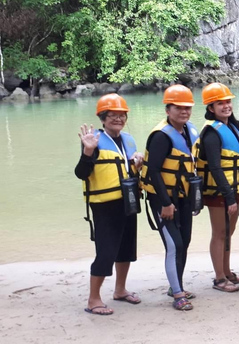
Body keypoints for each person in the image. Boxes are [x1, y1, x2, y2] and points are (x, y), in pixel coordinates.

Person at [75, 94, 143, 316]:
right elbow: (81, 173)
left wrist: (138, 164)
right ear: (103, 119)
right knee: (105, 252)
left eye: (121, 115)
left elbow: (127, 169)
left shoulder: (129, 140)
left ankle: (120, 290)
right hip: (105, 206)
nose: (118, 119)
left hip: (128, 201)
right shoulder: (93, 140)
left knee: (126, 249)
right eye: (112, 115)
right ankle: (93, 299)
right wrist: (87, 152)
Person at [140, 85, 200, 310]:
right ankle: (177, 294)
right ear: (168, 109)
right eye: (179, 108)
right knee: (174, 245)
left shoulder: (188, 130)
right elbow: (154, 171)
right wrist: (166, 203)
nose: (184, 112)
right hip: (163, 198)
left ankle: (177, 285)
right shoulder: (161, 136)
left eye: (187, 108)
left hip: (183, 196)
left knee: (185, 241)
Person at [195, 82, 239, 293]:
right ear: (211, 108)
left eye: (228, 102)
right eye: (220, 103)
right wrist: (229, 196)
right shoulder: (211, 132)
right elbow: (216, 167)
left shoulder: (231, 126)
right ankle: (219, 278)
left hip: (233, 190)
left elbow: (236, 153)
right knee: (220, 233)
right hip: (220, 192)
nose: (226, 106)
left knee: (229, 232)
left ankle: (227, 272)